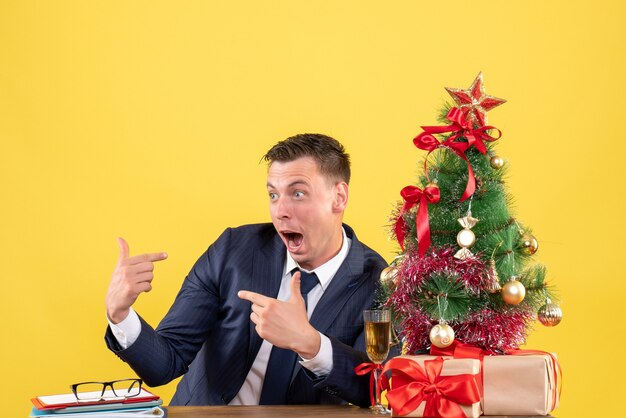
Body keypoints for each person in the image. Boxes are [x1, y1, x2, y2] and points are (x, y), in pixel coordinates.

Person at [104, 133, 388, 406]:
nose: (280, 211)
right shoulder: (232, 251)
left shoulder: (379, 281)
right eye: (273, 195)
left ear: (338, 197)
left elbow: (374, 388)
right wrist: (120, 315)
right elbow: (165, 363)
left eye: (298, 193)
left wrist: (311, 343)